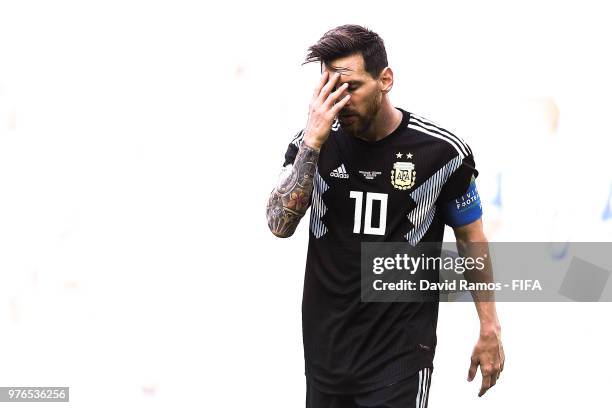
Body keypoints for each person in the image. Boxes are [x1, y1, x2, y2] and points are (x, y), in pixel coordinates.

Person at [266, 24, 504, 408]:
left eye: (351, 87)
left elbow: (471, 238)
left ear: (385, 79)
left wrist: (489, 326)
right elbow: (279, 225)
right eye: (330, 89)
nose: (340, 102)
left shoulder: (442, 154)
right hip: (327, 353)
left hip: (400, 357)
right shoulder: (313, 144)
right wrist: (312, 142)